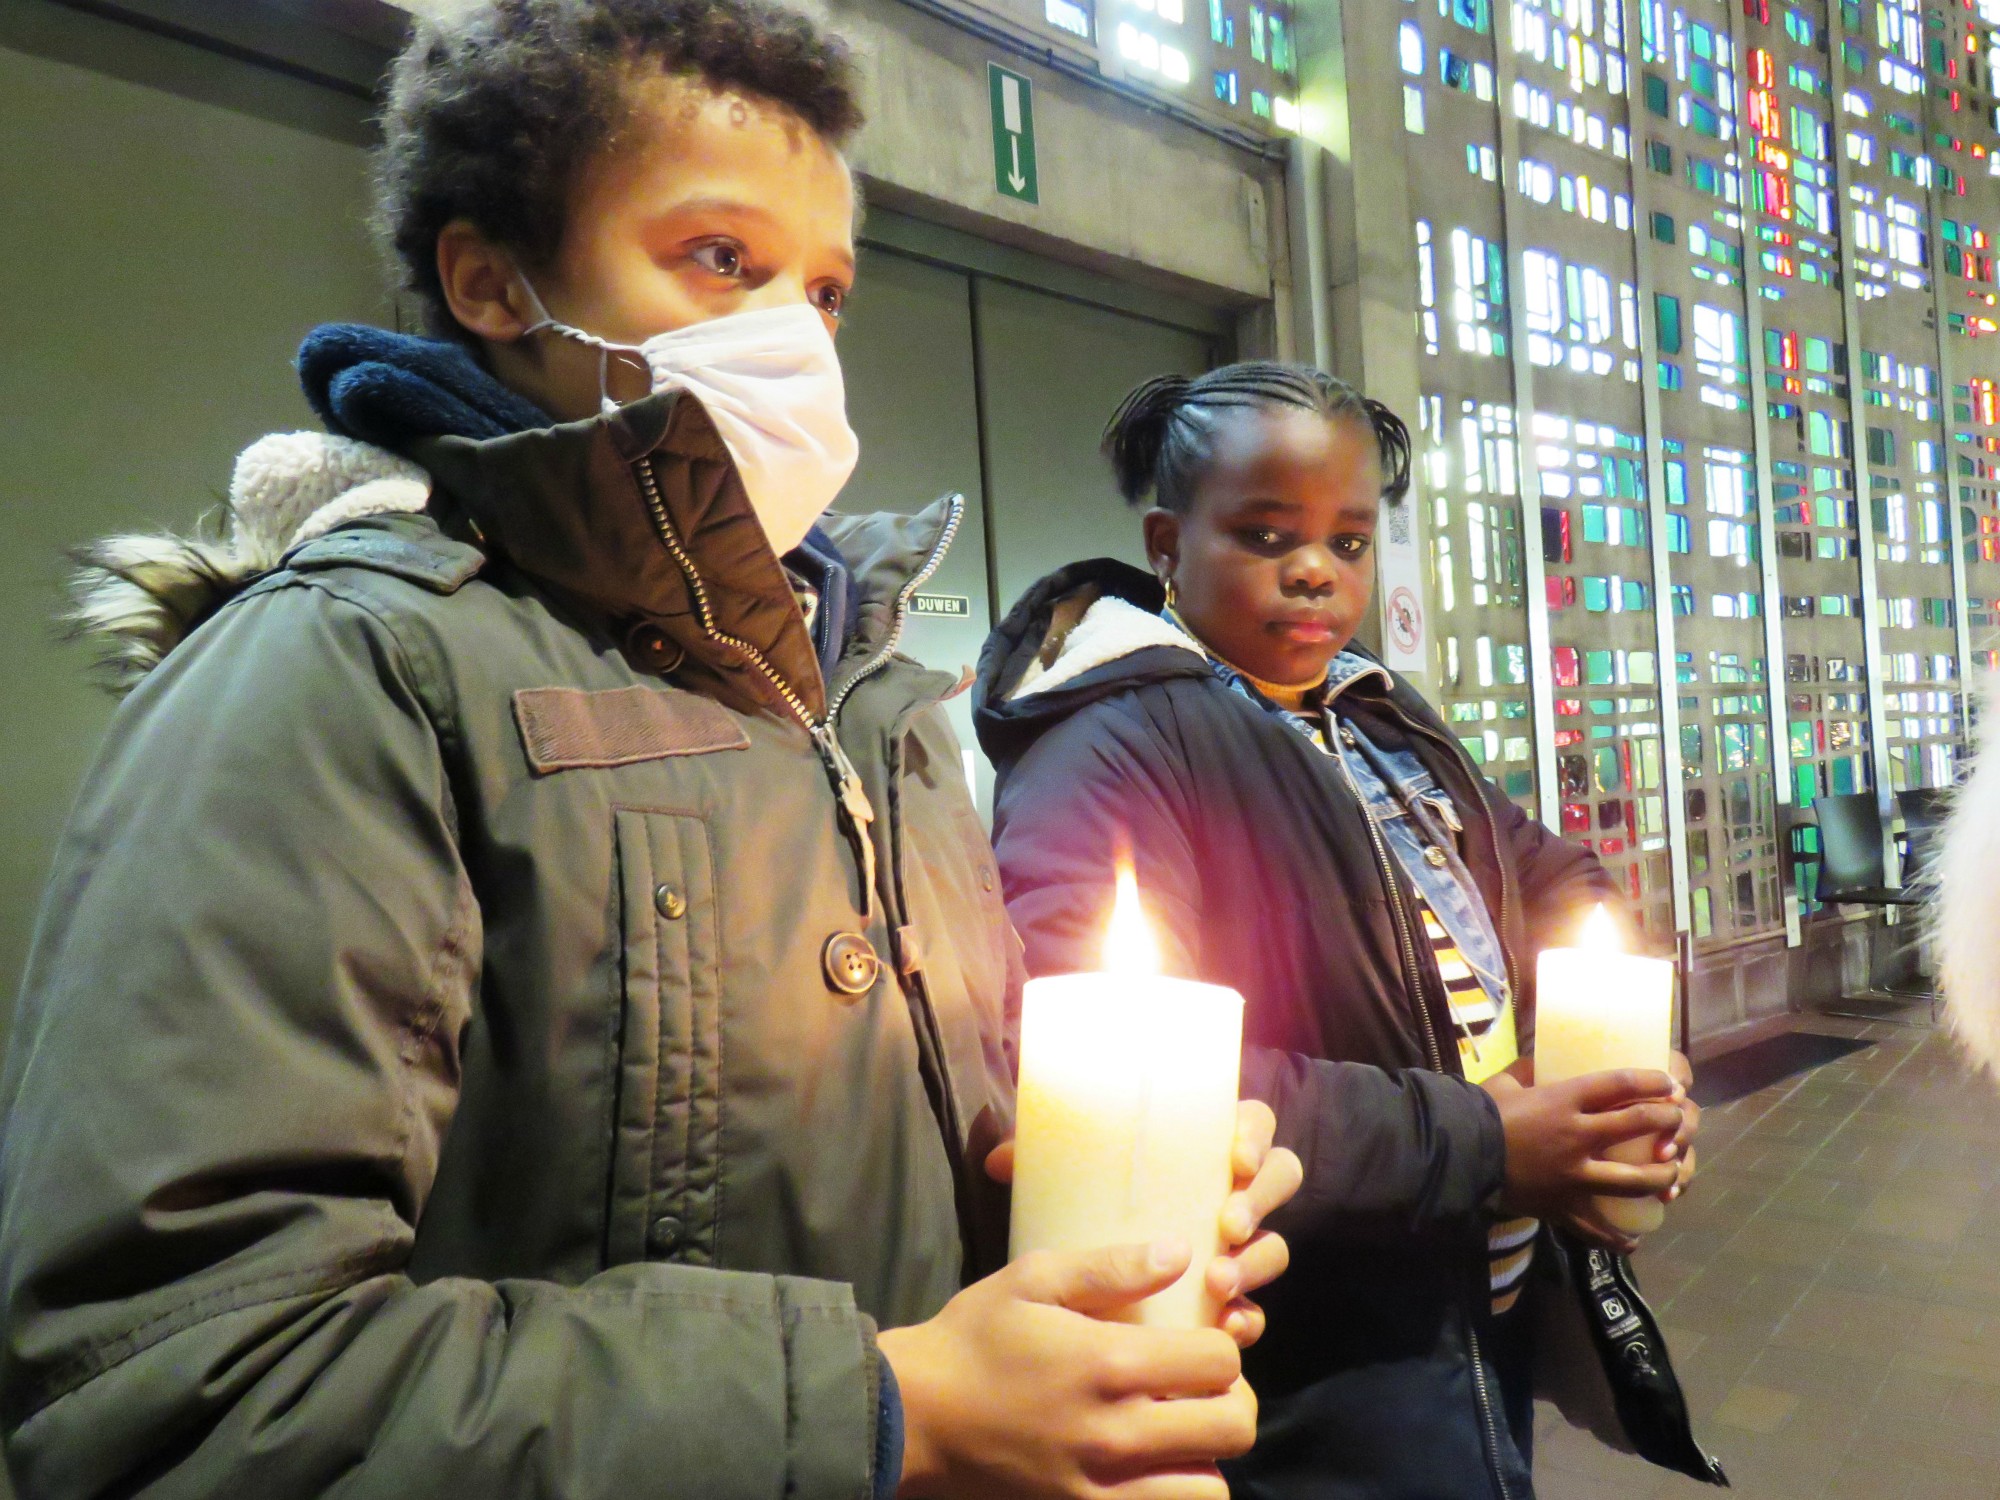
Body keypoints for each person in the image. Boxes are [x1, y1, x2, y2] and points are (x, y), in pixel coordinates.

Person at [0, 7, 1301, 1497]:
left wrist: (1102, 1193)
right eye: (720, 262)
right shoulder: (343, 676)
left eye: (824, 290)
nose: (795, 341)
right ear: (492, 281)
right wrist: (887, 1412)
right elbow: (176, 1389)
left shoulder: (860, 693)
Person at [974, 364, 1705, 1499]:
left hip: (1475, 1312)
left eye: (1348, 543)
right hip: (1305, 1368)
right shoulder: (1109, 747)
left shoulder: (1372, 711)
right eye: (1266, 535)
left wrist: (1623, 1065)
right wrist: (1489, 1145)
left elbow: (1541, 871)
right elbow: (1117, 1093)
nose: (1314, 569)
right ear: (1168, 541)